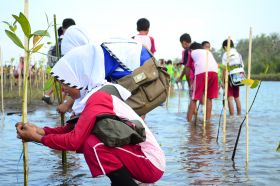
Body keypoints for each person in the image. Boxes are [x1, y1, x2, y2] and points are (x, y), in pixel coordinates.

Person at [15, 49, 165, 185]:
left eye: (65, 82)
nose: (62, 89)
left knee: (92, 144)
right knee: (90, 142)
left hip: (150, 162)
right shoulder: (90, 98)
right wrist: (40, 131)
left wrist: (37, 138)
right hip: (138, 157)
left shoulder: (98, 98)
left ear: (79, 78)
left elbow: (73, 141)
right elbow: (69, 130)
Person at [187, 42, 219, 122]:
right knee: (209, 98)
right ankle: (208, 121)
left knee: (194, 98)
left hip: (202, 72)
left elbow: (188, 68)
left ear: (192, 49)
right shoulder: (207, 52)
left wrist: (190, 83)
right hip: (214, 72)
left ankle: (189, 122)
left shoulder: (191, 52)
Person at [42, 26, 64, 105]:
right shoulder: (64, 41)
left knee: (60, 82)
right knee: (65, 83)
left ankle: (47, 95)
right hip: (61, 65)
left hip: (54, 66)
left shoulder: (56, 43)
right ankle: (63, 103)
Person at [221, 39, 244, 116]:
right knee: (237, 97)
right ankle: (239, 115)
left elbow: (224, 68)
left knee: (230, 98)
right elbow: (242, 66)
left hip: (230, 76)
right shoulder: (238, 54)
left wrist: (222, 81)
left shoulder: (226, 54)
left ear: (225, 46)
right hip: (239, 75)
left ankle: (232, 117)